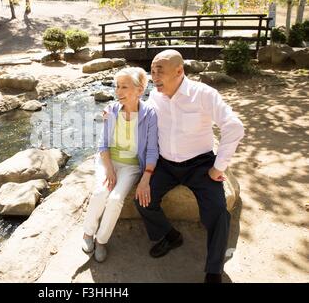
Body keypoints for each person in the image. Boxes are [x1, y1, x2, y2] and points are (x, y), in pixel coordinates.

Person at [136, 50, 245, 283]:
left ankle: (214, 270)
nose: (154, 75)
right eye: (152, 70)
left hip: (200, 165)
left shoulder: (203, 94)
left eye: (160, 70)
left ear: (179, 71)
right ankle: (170, 235)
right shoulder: (155, 96)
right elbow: (139, 116)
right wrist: (115, 113)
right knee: (142, 200)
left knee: (217, 211)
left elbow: (234, 127)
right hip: (165, 164)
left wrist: (219, 167)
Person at [82, 67, 159, 262]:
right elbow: (103, 144)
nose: (118, 91)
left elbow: (152, 149)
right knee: (101, 192)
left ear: (140, 90)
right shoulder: (112, 111)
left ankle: (101, 240)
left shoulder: (150, 114)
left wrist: (146, 176)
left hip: (131, 166)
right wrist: (109, 169)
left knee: (116, 199)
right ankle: (87, 233)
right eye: (117, 86)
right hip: (107, 160)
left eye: (124, 86)